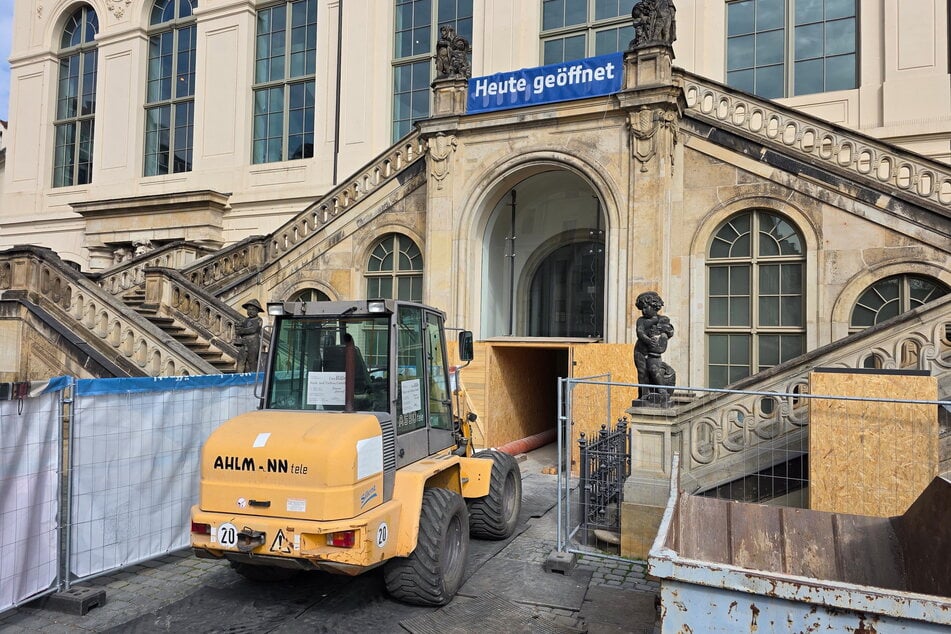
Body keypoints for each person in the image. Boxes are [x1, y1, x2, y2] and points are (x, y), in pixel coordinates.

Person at [234, 299, 263, 373]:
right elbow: (239, 329)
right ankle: (239, 376)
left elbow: (253, 329)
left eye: (253, 309)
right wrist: (238, 327)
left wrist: (242, 330)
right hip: (244, 343)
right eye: (249, 309)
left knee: (252, 361)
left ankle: (253, 376)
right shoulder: (245, 320)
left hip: (253, 342)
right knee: (241, 359)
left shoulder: (259, 320)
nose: (250, 311)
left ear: (257, 311)